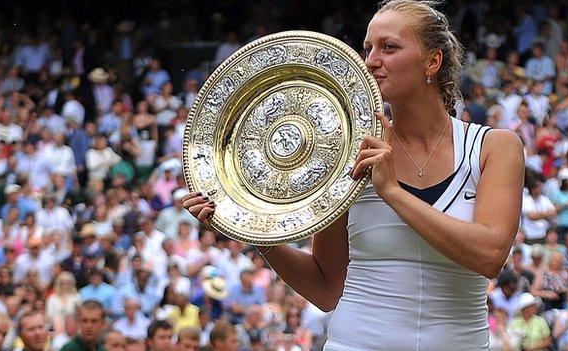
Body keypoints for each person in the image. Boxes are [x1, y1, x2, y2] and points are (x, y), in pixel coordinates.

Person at [182, 1, 523, 349]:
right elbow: (327, 289)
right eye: (368, 48)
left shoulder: (494, 147)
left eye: (389, 47)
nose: (371, 60)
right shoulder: (346, 152)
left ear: (432, 62)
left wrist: (391, 191)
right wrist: (252, 231)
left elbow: (490, 255)